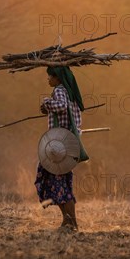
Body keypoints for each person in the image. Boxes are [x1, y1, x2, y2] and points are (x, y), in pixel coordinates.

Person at [34, 66, 84, 232]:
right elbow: (64, 111)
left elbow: (61, 106)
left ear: (57, 78)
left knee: (56, 183)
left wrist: (46, 102)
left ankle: (71, 223)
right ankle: (68, 222)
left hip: (60, 148)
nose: (48, 79)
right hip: (65, 146)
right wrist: (47, 108)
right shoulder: (70, 92)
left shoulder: (59, 91)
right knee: (61, 184)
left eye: (50, 76)